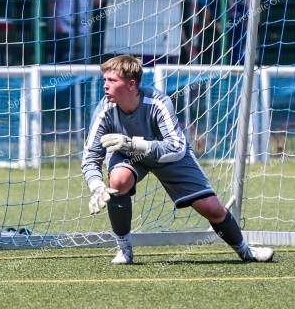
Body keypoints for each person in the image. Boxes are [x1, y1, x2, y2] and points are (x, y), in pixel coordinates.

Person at [83, 55, 274, 265]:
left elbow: (176, 147)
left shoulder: (158, 102)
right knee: (118, 181)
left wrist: (134, 144)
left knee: (212, 208)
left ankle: (246, 251)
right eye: (105, 80)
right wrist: (96, 185)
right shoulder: (104, 110)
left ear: (131, 84)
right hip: (129, 156)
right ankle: (124, 250)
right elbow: (91, 157)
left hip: (168, 156)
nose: (105, 85)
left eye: (112, 80)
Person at [226, 0, 251, 65]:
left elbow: (248, 25)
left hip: (241, 43)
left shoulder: (246, 3)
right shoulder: (227, 0)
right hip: (228, 43)